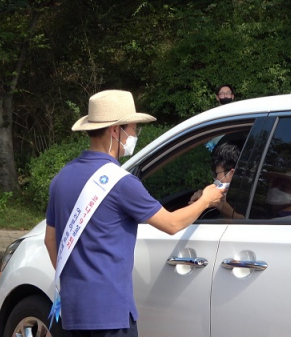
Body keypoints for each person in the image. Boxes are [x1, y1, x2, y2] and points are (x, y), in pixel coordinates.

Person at [44, 90, 225, 337]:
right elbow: (172, 223)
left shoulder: (61, 179)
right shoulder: (122, 183)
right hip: (110, 315)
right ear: (115, 130)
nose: (134, 136)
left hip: (72, 313)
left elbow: (50, 240)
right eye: (133, 128)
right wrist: (206, 199)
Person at [189, 142, 243, 219]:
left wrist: (214, 202)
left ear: (232, 173)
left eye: (217, 174)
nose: (216, 179)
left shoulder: (252, 199)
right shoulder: (235, 196)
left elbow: (249, 223)